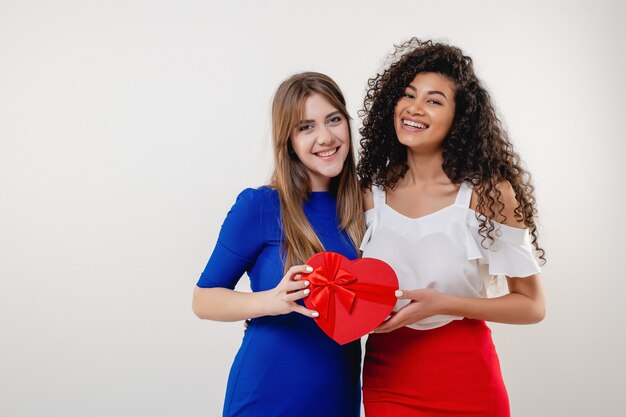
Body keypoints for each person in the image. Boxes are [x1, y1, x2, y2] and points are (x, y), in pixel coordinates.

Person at [357, 38, 546, 417]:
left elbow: (533, 306)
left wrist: (446, 304)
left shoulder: (489, 195)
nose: (414, 108)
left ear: (459, 120)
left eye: (433, 100)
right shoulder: (368, 194)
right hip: (388, 376)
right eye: (408, 95)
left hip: (467, 375)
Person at [192, 72, 365, 417]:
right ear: (288, 140)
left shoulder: (365, 207)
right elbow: (203, 299)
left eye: (333, 120)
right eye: (306, 127)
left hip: (338, 394)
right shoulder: (261, 206)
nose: (326, 137)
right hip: (266, 395)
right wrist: (271, 301)